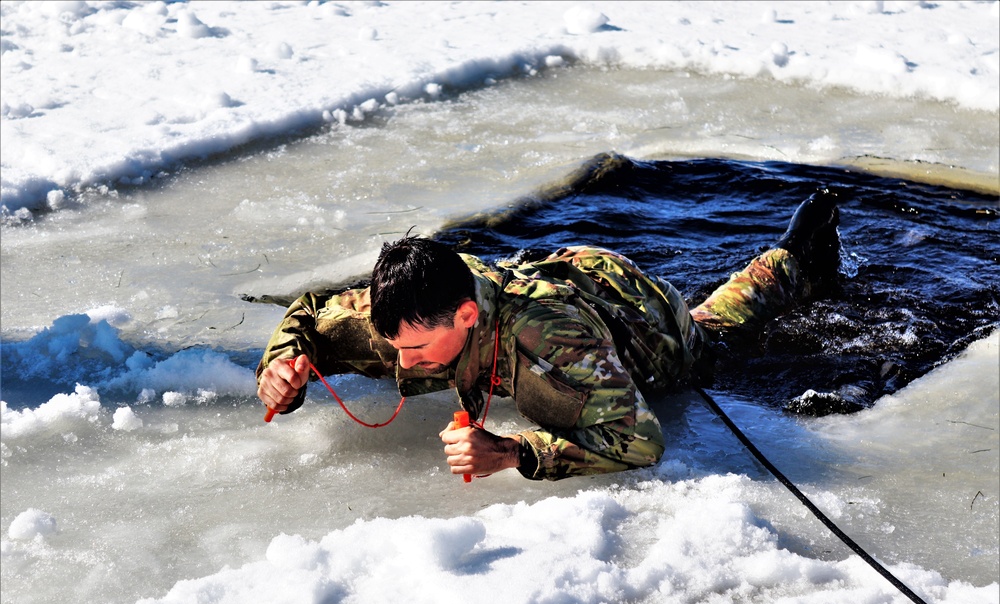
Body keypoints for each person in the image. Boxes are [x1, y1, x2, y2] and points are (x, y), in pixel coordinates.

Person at [257, 189, 841, 481]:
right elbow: (310, 314)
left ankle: (796, 258)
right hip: (556, 282)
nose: (401, 360)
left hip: (645, 325)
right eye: (397, 347)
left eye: (414, 350)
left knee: (714, 335)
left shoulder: (552, 338)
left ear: (464, 316)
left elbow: (640, 442)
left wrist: (514, 452)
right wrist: (283, 368)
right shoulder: (404, 312)